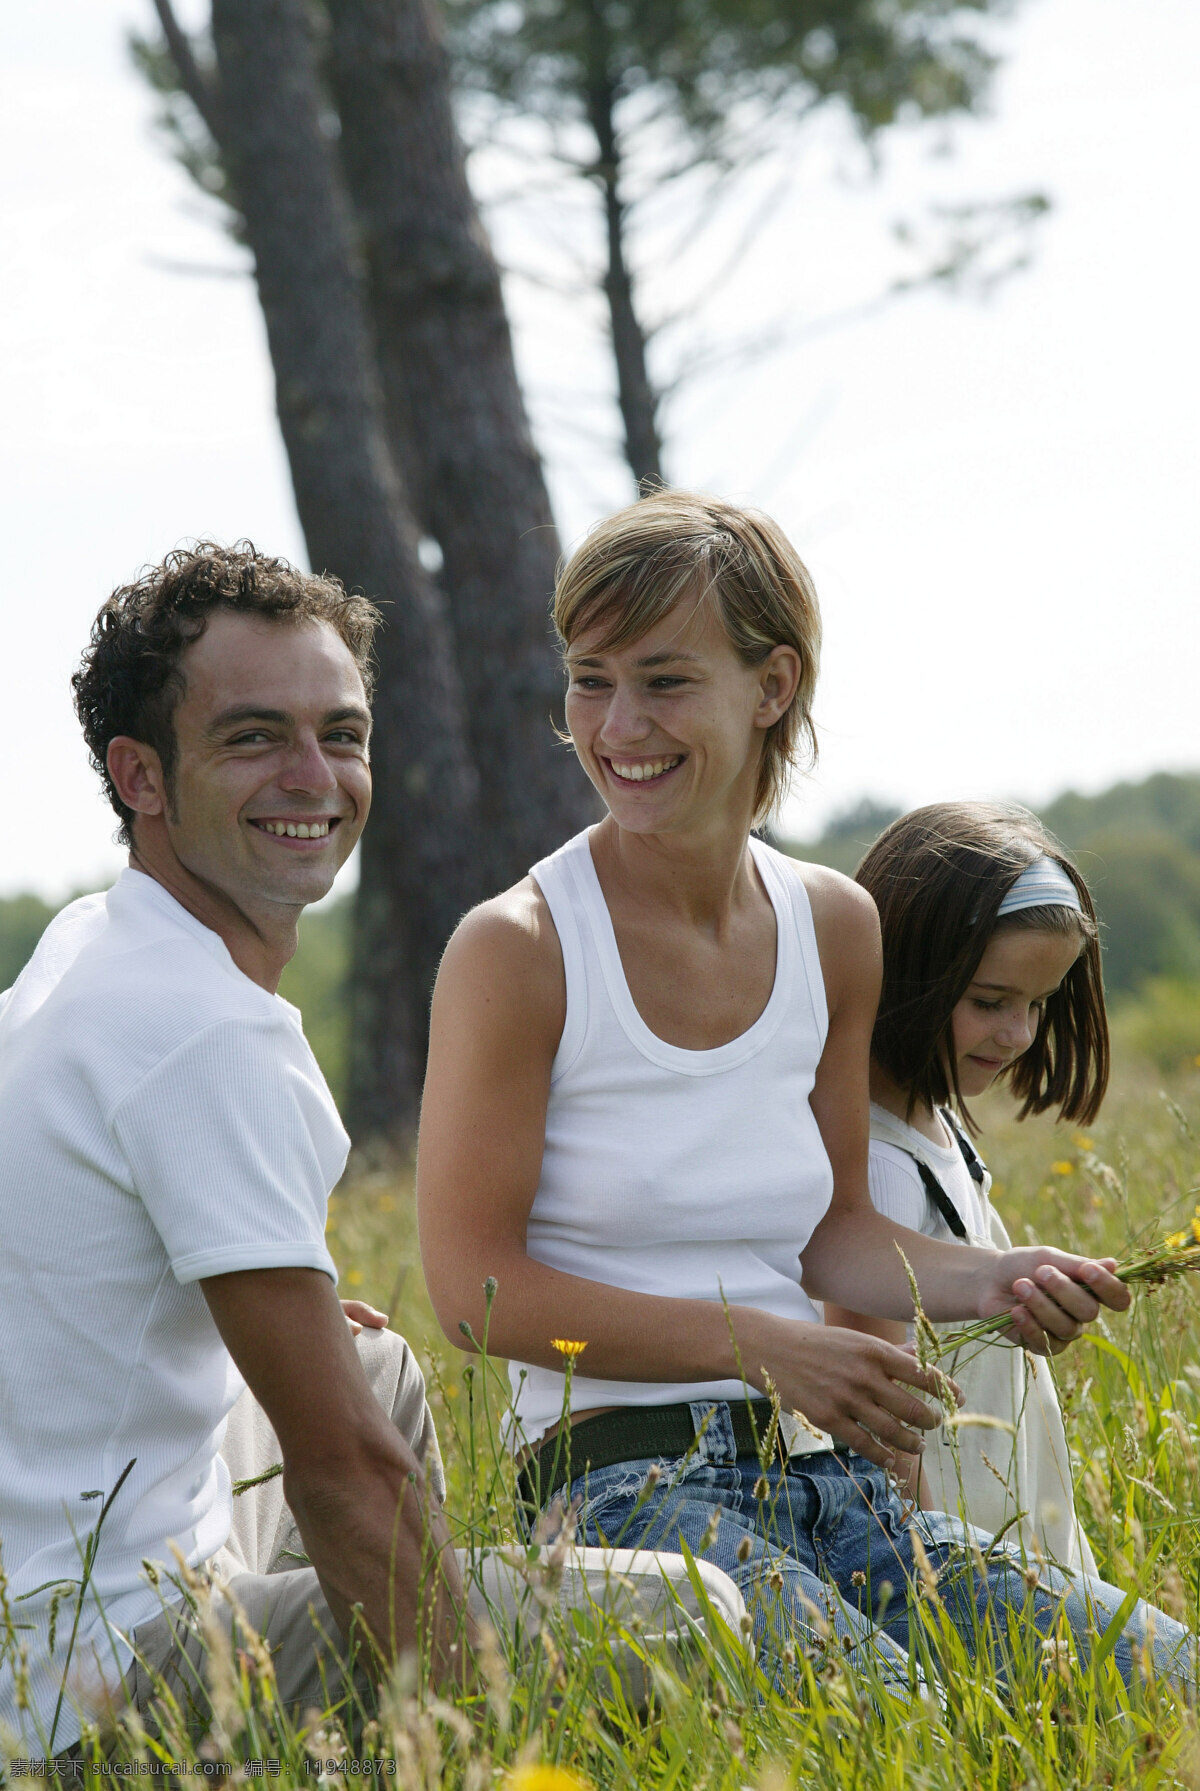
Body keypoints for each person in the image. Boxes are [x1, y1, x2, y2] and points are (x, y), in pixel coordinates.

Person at [417, 489, 1193, 1693]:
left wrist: (997, 1276)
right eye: (590, 678)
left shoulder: (834, 925)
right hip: (623, 1503)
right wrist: (760, 1347)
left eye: (665, 680)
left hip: (827, 1479)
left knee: (1163, 1679)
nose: (618, 725)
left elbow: (835, 1234)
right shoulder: (518, 948)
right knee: (909, 1734)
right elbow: (471, 1292)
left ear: (772, 685)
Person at [0, 545, 465, 1761]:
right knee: (685, 1617)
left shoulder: (94, 943)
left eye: (343, 733)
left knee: (377, 1369)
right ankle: (422, 1744)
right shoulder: (202, 1032)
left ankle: (360, 1739)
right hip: (92, 1690)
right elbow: (345, 1473)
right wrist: (495, 1738)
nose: (315, 778)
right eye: (255, 737)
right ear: (141, 775)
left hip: (47, 1588)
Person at [824, 804, 1108, 1574]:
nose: (1019, 1033)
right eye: (990, 1001)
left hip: (1011, 1551)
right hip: (958, 1576)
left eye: (1038, 1003)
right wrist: (935, 1589)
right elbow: (878, 1432)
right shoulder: (875, 1165)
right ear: (907, 970)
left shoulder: (936, 1123)